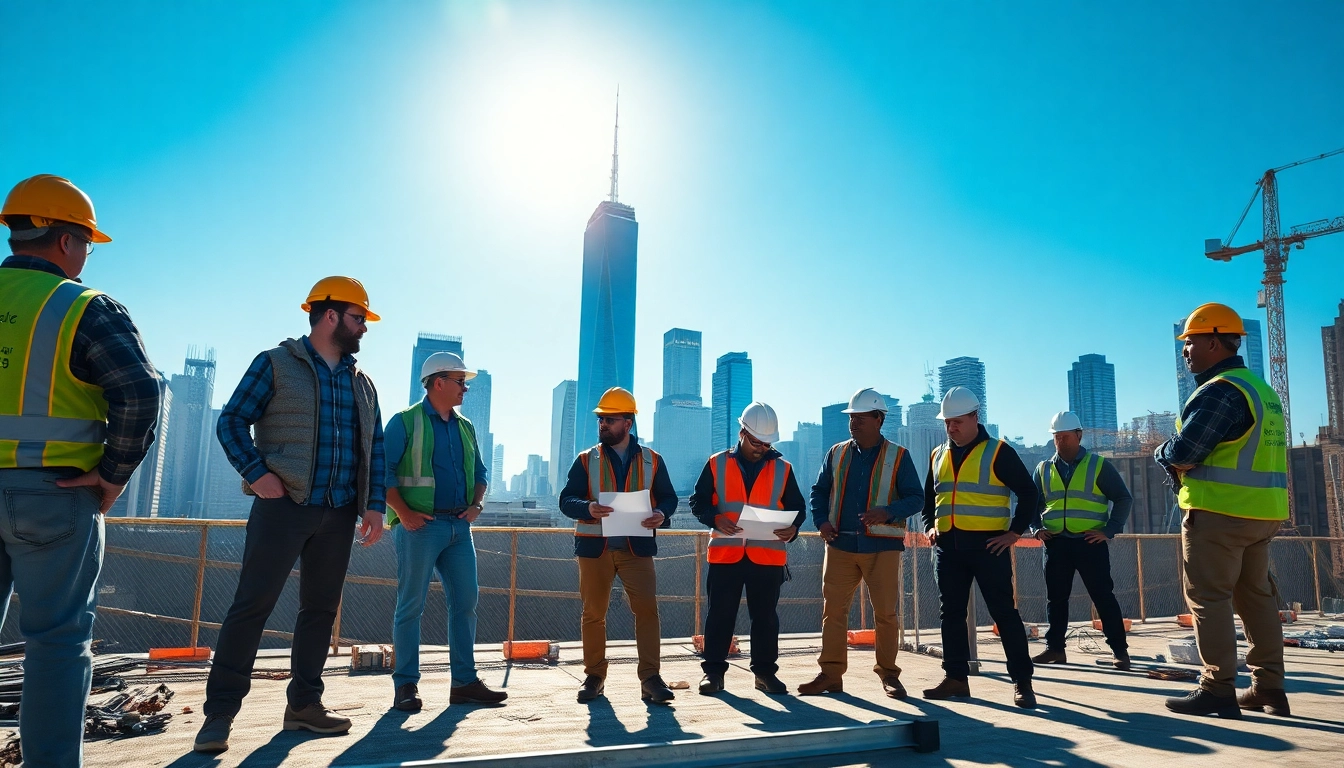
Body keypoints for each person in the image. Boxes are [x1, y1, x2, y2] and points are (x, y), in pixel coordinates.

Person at [0, 175, 160, 767]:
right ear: (67, 241)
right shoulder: (82, 306)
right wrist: (113, 474)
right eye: (88, 243)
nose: (87, 255)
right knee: (58, 644)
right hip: (55, 495)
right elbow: (140, 392)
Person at [195, 276, 387, 753]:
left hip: (339, 514)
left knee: (319, 612)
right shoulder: (276, 364)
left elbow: (375, 449)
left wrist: (375, 505)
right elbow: (231, 420)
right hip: (283, 508)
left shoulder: (362, 383)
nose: (364, 327)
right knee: (251, 608)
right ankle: (219, 715)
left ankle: (304, 705)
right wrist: (257, 473)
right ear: (330, 316)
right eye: (359, 317)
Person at [1157, 302, 1290, 719]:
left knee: (1208, 598)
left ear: (1214, 341)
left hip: (1218, 513)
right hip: (1261, 513)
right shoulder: (1262, 391)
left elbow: (1184, 451)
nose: (1186, 353)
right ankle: (1269, 687)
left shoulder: (1220, 391)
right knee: (1256, 598)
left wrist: (1164, 450)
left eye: (1190, 343)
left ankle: (1217, 689)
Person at [385, 351, 506, 711]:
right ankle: (406, 686)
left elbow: (481, 474)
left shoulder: (465, 426)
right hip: (419, 527)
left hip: (459, 527)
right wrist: (403, 514)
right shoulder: (404, 422)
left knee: (466, 602)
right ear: (438, 383)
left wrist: (477, 506)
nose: (465, 389)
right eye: (459, 381)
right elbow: (382, 474)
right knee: (411, 606)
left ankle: (464, 683)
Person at [798, 389, 922, 699]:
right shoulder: (836, 453)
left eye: (860, 417)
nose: (853, 422)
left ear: (879, 419)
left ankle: (889, 674)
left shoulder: (899, 456)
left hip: (881, 547)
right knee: (834, 612)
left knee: (886, 615)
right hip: (840, 545)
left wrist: (888, 511)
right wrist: (822, 521)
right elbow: (819, 491)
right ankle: (830, 674)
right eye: (852, 417)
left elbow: (916, 498)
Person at [920, 386, 1040, 708]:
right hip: (947, 547)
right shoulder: (937, 454)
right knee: (951, 615)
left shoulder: (999, 452)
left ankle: (1022, 683)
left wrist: (1014, 532)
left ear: (975, 417)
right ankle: (956, 678)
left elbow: (1030, 495)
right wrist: (930, 525)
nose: (951, 427)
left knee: (1004, 613)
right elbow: (929, 501)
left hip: (989, 548)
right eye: (947, 422)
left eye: (957, 421)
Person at [558, 387, 678, 704]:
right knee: (593, 614)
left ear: (628, 423)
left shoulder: (653, 460)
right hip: (594, 549)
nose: (603, 425)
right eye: (601, 420)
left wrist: (661, 514)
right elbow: (565, 501)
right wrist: (588, 509)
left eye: (609, 420)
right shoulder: (586, 460)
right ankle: (594, 676)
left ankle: (651, 678)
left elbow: (669, 497)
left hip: (636, 547)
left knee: (647, 612)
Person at [690, 402, 807, 696]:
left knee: (765, 618)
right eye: (756, 442)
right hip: (726, 554)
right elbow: (698, 501)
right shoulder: (717, 463)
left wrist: (793, 529)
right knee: (720, 615)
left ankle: (765, 673)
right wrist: (714, 518)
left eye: (767, 443)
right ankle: (713, 673)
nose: (761, 448)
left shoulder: (783, 468)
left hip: (766, 556)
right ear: (742, 432)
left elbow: (798, 508)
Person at [1030, 411, 1133, 670]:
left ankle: (1120, 651)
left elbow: (1123, 498)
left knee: (1103, 597)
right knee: (1056, 599)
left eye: (1065, 436)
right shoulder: (1043, 469)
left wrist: (1109, 530)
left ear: (1079, 436)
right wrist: (1036, 529)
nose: (1061, 441)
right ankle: (1055, 649)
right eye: (1057, 437)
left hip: (1090, 543)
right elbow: (1031, 503)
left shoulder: (1098, 466)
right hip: (1056, 544)